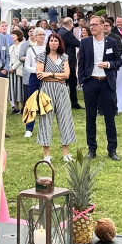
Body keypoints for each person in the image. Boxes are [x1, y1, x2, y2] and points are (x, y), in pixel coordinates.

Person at [77, 16, 122, 161]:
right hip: (90, 82)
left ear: (103, 26)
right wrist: (82, 82)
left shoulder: (112, 42)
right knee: (90, 117)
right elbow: (81, 64)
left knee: (109, 117)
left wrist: (108, 65)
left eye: (95, 24)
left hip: (106, 83)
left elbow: (118, 61)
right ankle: (92, 149)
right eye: (91, 25)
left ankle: (112, 149)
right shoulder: (85, 42)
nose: (92, 27)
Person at [35, 33, 77, 162]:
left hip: (62, 90)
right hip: (47, 90)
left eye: (56, 41)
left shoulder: (64, 57)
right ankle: (46, 155)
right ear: (48, 43)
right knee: (45, 120)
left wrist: (50, 74)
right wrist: (57, 76)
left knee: (65, 118)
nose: (53, 43)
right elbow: (39, 74)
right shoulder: (42, 56)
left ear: (59, 43)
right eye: (51, 40)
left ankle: (66, 153)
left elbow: (67, 75)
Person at [23, 28, 47, 138]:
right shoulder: (30, 50)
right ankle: (29, 128)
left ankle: (45, 127)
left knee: (46, 102)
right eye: (39, 35)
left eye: (43, 34)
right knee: (32, 102)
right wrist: (37, 70)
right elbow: (27, 66)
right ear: (35, 36)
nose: (42, 36)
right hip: (34, 77)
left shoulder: (49, 48)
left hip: (47, 77)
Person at [57, 17, 83, 109]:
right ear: (70, 24)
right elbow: (78, 43)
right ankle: (73, 103)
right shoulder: (66, 33)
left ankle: (71, 103)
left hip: (64, 61)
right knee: (71, 82)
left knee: (68, 82)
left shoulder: (60, 31)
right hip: (68, 61)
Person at [8, 29, 25, 114]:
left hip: (19, 70)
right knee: (13, 89)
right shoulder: (11, 47)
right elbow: (10, 58)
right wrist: (10, 67)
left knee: (20, 88)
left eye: (14, 35)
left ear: (18, 36)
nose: (12, 36)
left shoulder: (22, 46)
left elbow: (21, 59)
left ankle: (22, 107)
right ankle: (15, 107)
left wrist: (14, 67)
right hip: (11, 70)